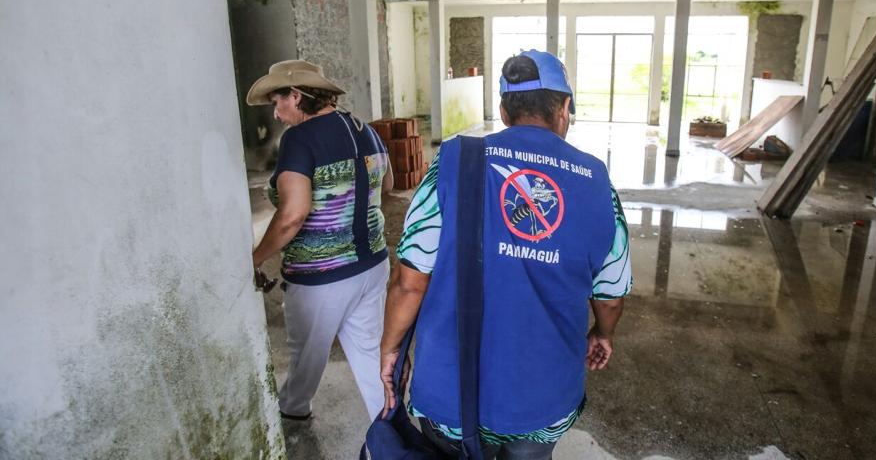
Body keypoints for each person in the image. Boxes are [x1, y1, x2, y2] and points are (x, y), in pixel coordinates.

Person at [381, 50, 632, 458]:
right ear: (564, 108)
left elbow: (409, 282)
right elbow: (611, 295)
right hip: (542, 397)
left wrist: (391, 349)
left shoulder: (452, 161)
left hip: (451, 391)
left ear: (502, 110)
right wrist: (603, 333)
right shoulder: (597, 182)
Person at [247, 59, 392, 421]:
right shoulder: (364, 128)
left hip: (322, 276)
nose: (277, 115)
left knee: (306, 355)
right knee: (369, 353)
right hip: (372, 263)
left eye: (277, 103)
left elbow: (293, 215)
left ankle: (293, 410)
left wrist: (254, 257)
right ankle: (391, 428)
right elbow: (386, 186)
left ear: (296, 96)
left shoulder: (299, 138)